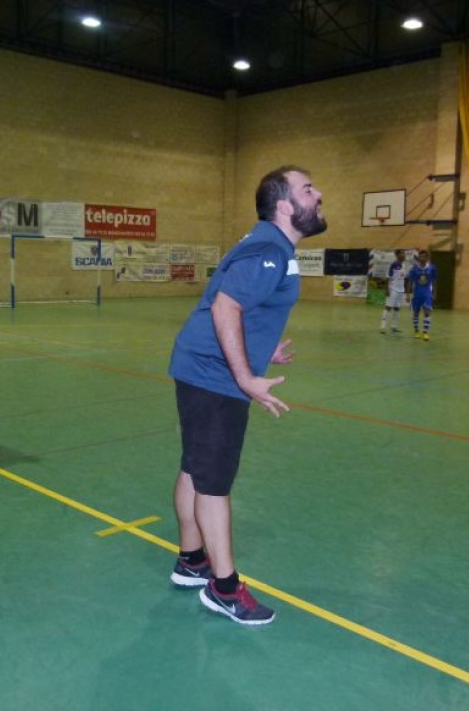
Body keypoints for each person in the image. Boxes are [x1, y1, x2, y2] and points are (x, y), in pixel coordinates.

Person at [166, 165, 327, 626]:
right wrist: (245, 376)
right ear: (284, 205)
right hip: (214, 375)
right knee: (213, 483)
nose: (318, 196)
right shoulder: (270, 251)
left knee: (195, 467)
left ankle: (191, 560)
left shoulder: (269, 245)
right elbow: (225, 305)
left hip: (200, 366)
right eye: (308, 190)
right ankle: (223, 587)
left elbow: (239, 307)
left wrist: (261, 348)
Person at [408, 249, 437, 340]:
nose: (422, 258)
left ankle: (425, 333)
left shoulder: (432, 268)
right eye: (420, 256)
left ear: (427, 257)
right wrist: (408, 294)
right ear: (418, 258)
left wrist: (434, 293)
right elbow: (410, 281)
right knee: (416, 313)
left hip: (427, 292)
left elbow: (434, 281)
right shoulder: (414, 269)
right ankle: (416, 331)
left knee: (427, 312)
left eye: (424, 256)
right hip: (417, 293)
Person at [379, 249, 410, 334]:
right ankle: (383, 327)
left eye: (404, 253)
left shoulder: (404, 265)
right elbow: (388, 277)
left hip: (401, 291)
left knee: (397, 308)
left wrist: (407, 293)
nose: (404, 255)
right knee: (388, 307)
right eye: (402, 253)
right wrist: (387, 289)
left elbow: (407, 280)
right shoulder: (393, 264)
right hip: (393, 289)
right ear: (397, 255)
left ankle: (394, 327)